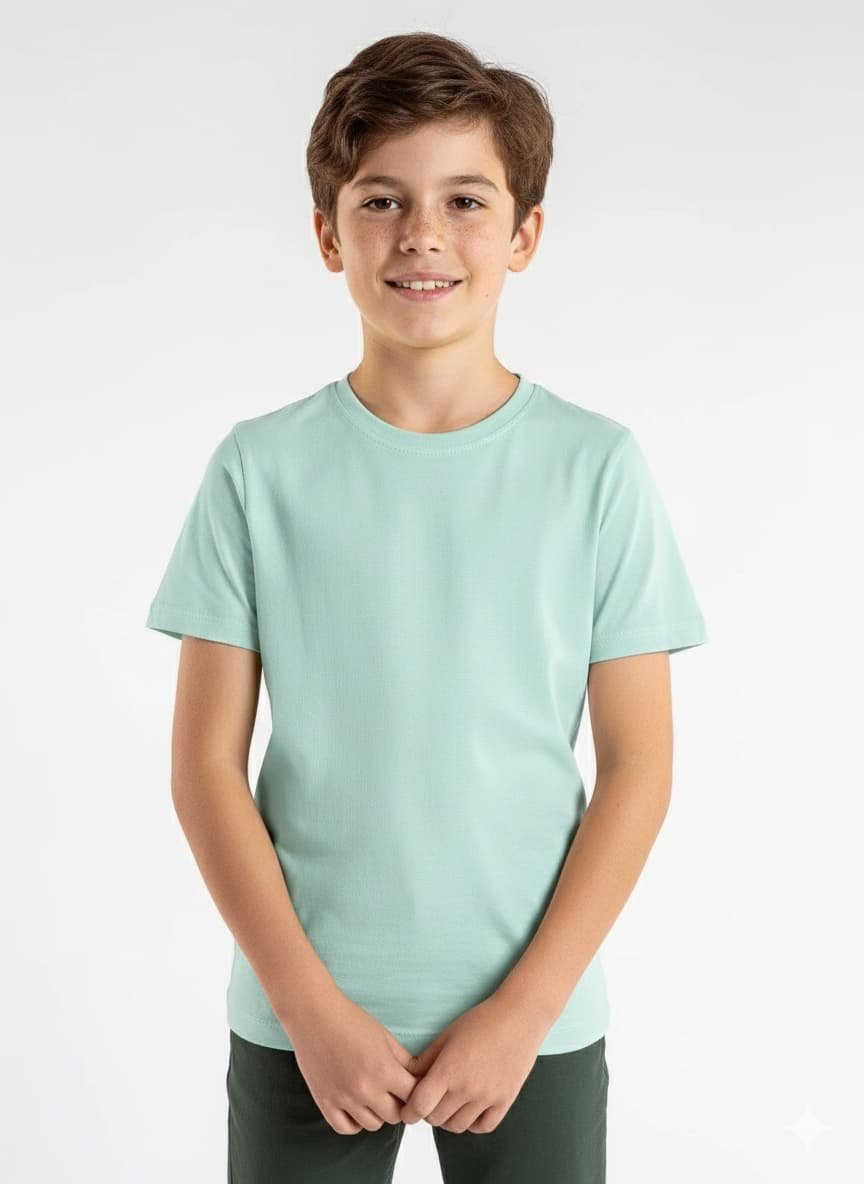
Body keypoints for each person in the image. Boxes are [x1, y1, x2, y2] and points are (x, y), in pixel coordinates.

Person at [145, 30, 708, 1184]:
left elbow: (639, 765)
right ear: (328, 234)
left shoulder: (597, 469)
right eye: (381, 200)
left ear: (524, 233)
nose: (422, 234)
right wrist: (309, 1008)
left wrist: (523, 1011)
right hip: (304, 1022)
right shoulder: (258, 469)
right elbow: (204, 765)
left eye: (464, 199)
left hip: (530, 1025)